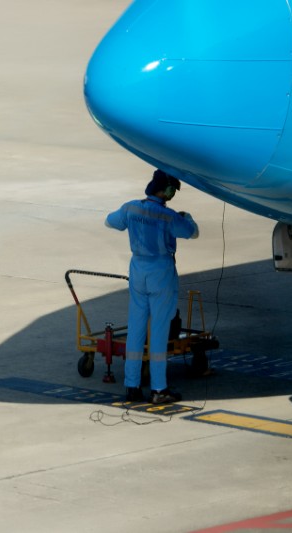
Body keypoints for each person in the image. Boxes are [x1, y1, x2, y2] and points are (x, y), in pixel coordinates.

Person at [105, 169, 199, 404]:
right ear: (167, 191)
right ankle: (159, 389)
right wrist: (186, 217)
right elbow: (193, 233)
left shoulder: (131, 208)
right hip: (161, 272)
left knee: (136, 329)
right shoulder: (169, 217)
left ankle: (132, 386)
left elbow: (109, 221)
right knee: (158, 332)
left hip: (137, 269)